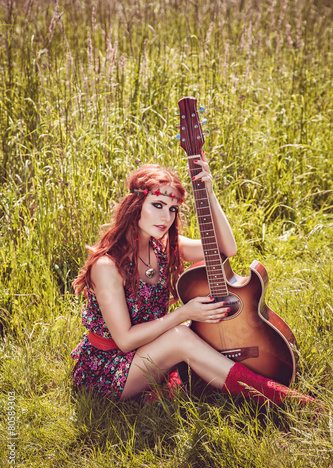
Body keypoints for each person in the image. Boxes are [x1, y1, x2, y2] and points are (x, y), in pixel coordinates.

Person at [71, 153, 316, 407]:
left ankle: (253, 379)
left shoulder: (162, 247)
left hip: (144, 352)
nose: (166, 218)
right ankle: (277, 397)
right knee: (182, 335)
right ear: (136, 204)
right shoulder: (107, 266)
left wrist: (208, 192)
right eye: (157, 205)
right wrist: (184, 313)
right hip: (107, 369)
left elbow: (225, 249)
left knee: (196, 328)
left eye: (172, 209)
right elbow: (125, 341)